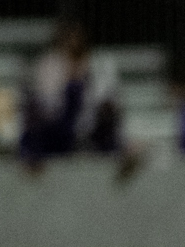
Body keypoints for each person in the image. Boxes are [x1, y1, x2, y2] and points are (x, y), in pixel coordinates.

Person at [19, 21, 141, 179]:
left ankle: (121, 151)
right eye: (70, 39)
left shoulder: (100, 64)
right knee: (35, 114)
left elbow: (109, 97)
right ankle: (32, 157)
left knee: (108, 113)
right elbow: (46, 102)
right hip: (59, 126)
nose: (74, 42)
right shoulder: (49, 64)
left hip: (93, 125)